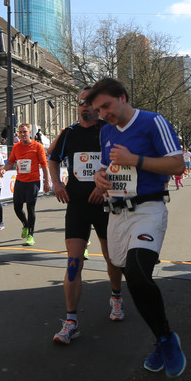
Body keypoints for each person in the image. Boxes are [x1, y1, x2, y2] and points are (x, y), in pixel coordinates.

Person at [88, 77, 186, 377]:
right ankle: (162, 337)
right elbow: (106, 168)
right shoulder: (106, 131)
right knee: (131, 277)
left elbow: (178, 165)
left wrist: (136, 160)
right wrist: (99, 178)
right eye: (98, 110)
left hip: (147, 209)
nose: (103, 114)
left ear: (123, 97)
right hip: (116, 215)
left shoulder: (153, 122)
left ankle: (166, 339)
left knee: (140, 276)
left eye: (106, 106)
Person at [47, 87, 126, 345]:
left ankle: (116, 297)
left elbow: (120, 163)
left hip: (105, 203)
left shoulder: (108, 130)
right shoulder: (69, 133)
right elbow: (53, 159)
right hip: (77, 205)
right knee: (73, 262)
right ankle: (71, 321)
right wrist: (56, 183)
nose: (84, 106)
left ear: (98, 106)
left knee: (111, 257)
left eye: (89, 102)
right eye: (80, 102)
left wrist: (102, 187)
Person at [1, 123, 51, 246]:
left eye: (25, 132)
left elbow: (44, 165)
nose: (23, 134)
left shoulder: (37, 146)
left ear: (29, 133)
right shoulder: (16, 147)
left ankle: (31, 235)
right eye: (20, 132)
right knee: (17, 207)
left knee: (30, 208)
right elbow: (10, 162)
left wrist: (47, 181)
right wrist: (4, 170)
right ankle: (25, 224)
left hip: (33, 181)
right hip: (20, 181)